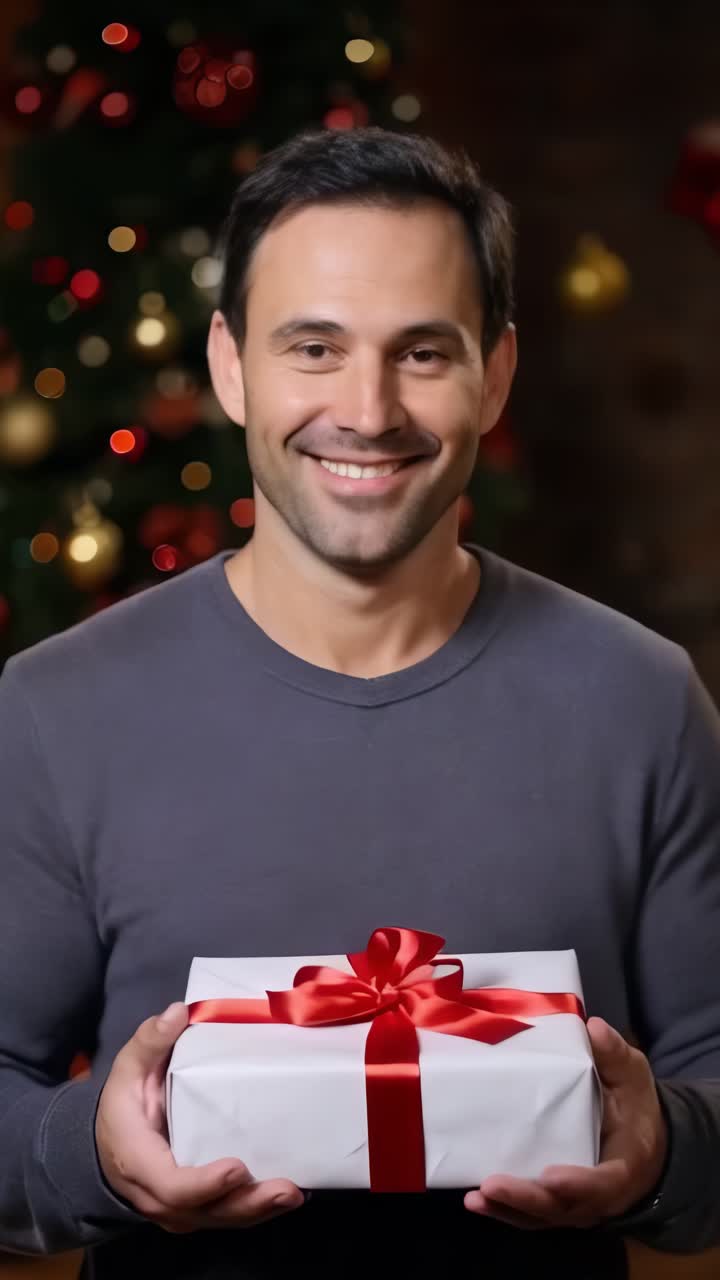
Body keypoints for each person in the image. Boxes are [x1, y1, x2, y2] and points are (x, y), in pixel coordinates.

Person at [1, 126, 719, 1280]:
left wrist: (664, 1150)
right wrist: (94, 1148)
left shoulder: (640, 698)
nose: (369, 409)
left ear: (496, 375)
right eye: (316, 346)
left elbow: (714, 1072)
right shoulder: (56, 708)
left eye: (424, 351)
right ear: (232, 366)